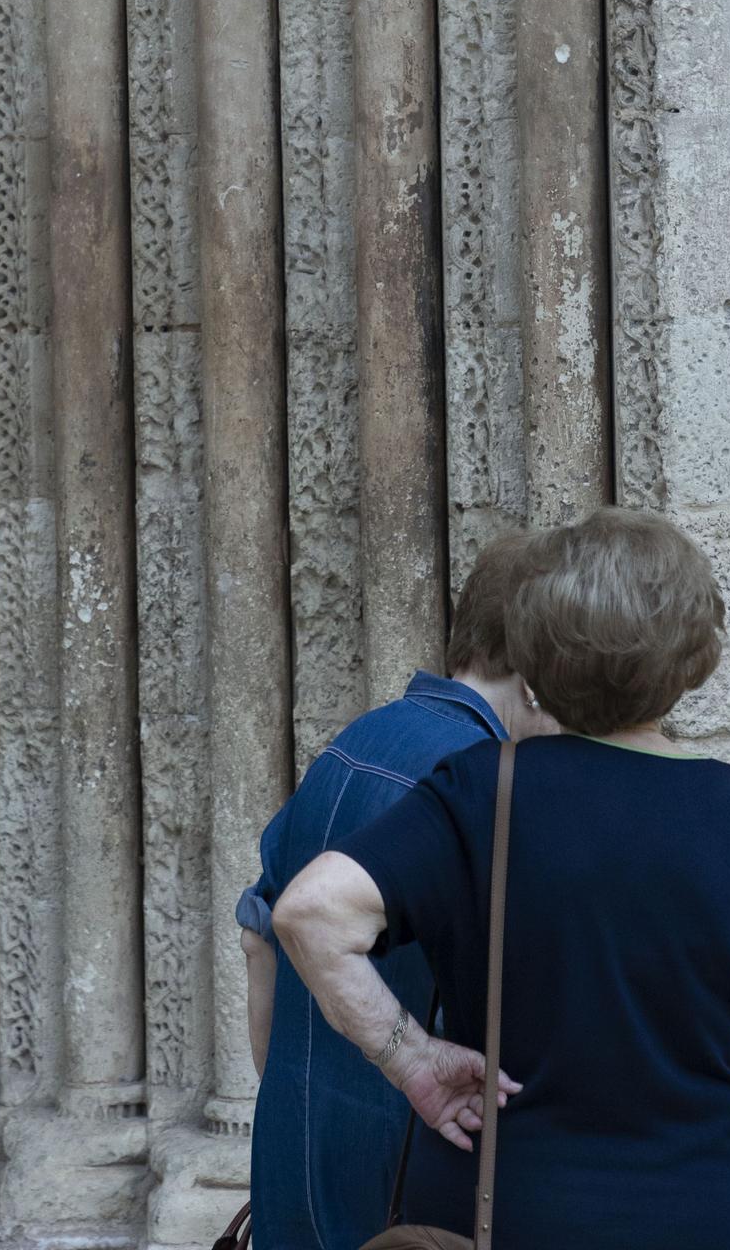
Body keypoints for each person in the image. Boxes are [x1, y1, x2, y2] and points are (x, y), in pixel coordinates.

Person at [274, 507, 730, 1250]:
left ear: (532, 651)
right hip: (716, 1213)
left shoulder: (483, 789)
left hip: (508, 1211)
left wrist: (410, 1059)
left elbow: (309, 914)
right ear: (694, 657)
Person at [237, 532, 557, 1250]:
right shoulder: (483, 782)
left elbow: (259, 939)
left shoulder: (356, 739)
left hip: (291, 1165)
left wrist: (305, 1108)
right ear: (539, 670)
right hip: (405, 1183)